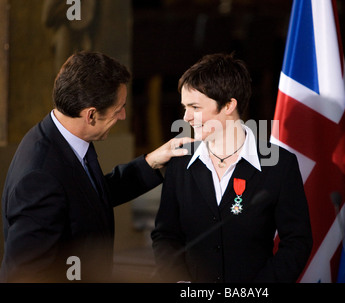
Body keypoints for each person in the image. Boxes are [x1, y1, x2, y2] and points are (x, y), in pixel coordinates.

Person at [0, 51, 192, 282]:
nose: (122, 116)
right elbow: (25, 273)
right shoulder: (39, 178)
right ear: (90, 115)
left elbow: (88, 198)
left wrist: (150, 161)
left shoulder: (62, 136)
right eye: (118, 109)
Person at [151, 53, 313, 283]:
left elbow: (297, 242)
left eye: (194, 107)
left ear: (228, 105)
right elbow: (165, 235)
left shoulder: (279, 164)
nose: (185, 117)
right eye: (184, 107)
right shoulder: (180, 161)